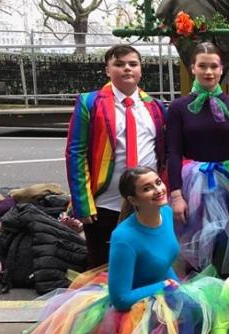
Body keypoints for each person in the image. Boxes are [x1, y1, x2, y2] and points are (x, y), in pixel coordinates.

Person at [0, 167, 221, 334]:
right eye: (147, 188)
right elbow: (121, 298)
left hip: (161, 291)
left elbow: (165, 260)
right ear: (133, 199)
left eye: (158, 182)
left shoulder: (166, 213)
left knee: (198, 307)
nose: (158, 190)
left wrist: (175, 288)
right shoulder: (124, 237)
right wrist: (161, 286)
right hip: (131, 306)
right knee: (153, 329)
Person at [66, 44, 166, 269]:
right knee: (102, 268)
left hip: (147, 204)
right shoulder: (89, 103)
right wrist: (82, 203)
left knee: (144, 267)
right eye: (119, 64)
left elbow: (164, 152)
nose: (127, 69)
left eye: (133, 64)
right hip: (105, 204)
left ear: (141, 69)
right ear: (107, 70)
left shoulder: (155, 106)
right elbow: (75, 152)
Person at [166, 41, 229, 274]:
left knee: (224, 243)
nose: (208, 72)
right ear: (193, 68)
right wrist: (176, 195)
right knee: (193, 247)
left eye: (214, 66)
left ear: (222, 69)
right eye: (202, 66)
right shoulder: (178, 107)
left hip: (226, 183)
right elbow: (173, 152)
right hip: (192, 185)